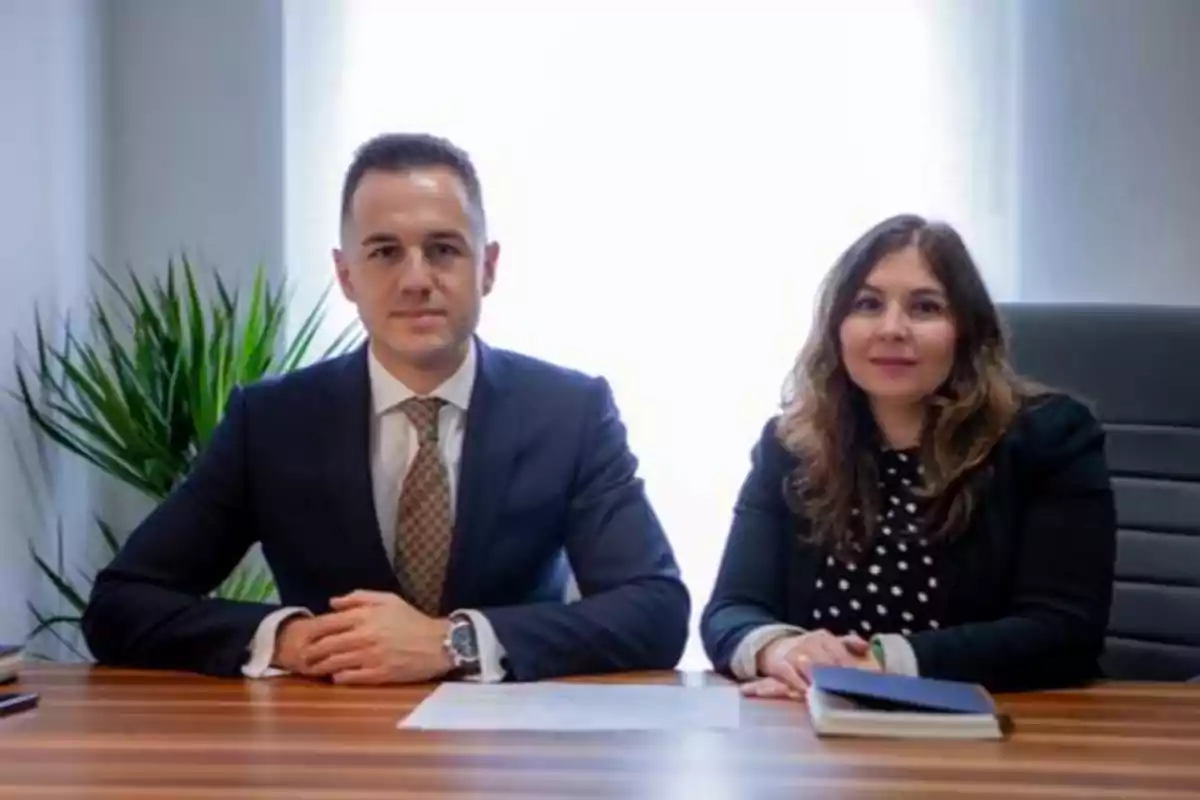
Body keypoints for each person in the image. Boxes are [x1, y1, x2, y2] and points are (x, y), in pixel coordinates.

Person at [81, 132, 690, 684]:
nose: (416, 279)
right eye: (384, 252)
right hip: (330, 746)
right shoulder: (269, 422)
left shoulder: (570, 412)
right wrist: (288, 639)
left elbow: (655, 611)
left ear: (489, 267)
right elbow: (122, 604)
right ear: (346, 275)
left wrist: (455, 642)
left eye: (444, 249)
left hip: (508, 754)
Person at [700, 214, 1117, 697]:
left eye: (925, 308)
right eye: (868, 305)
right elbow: (731, 609)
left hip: (995, 737)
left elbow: (1064, 631)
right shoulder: (792, 445)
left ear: (966, 331)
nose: (892, 328)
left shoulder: (1050, 436)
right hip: (816, 733)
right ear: (837, 328)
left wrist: (881, 664)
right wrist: (782, 651)